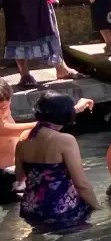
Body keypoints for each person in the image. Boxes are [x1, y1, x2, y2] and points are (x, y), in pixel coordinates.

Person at [16, 91, 100, 228]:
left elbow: (20, 176)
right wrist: (98, 207)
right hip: (61, 209)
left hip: (31, 208)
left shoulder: (24, 137)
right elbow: (82, 185)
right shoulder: (65, 140)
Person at [0, 78, 34, 203]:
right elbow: (24, 129)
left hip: (14, 171)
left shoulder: (6, 109)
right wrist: (70, 111)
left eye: (4, 107)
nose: (0, 114)